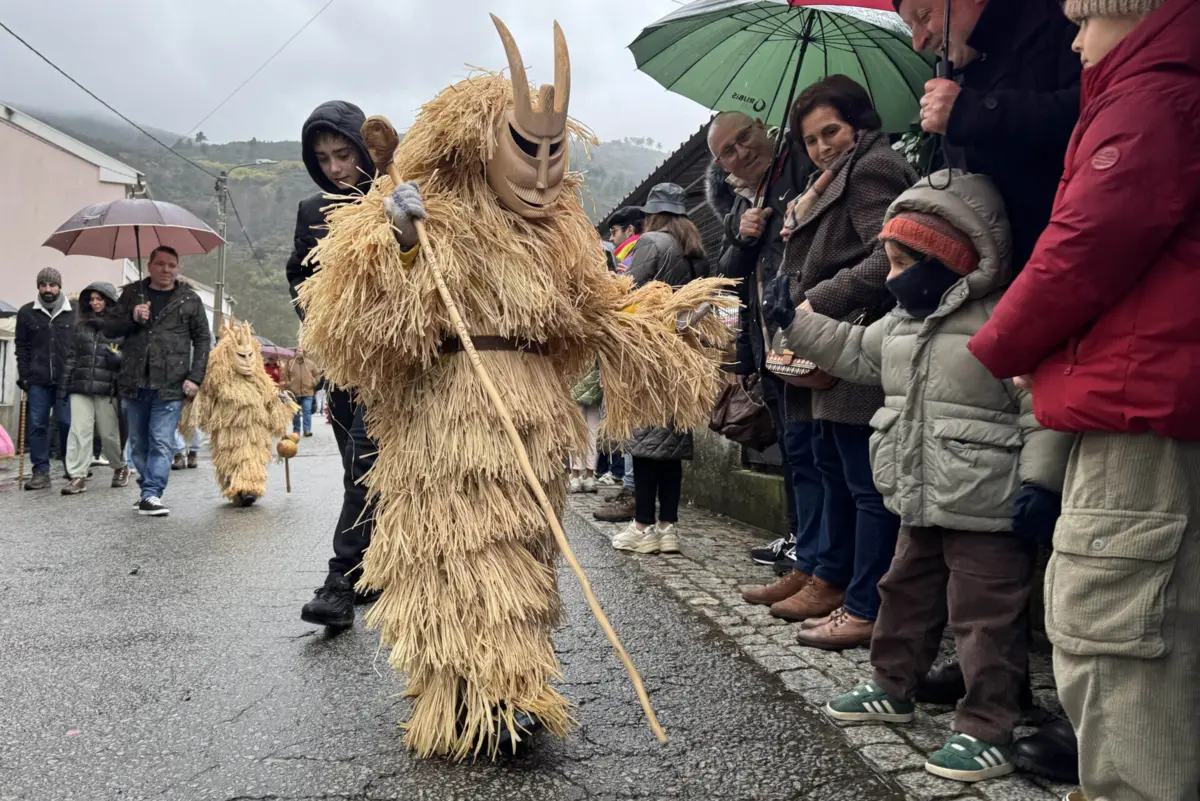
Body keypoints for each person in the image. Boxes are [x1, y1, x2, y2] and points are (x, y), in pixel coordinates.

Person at [967, 0, 1200, 797]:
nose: (1073, 40)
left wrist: (1002, 346)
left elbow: (1081, 247)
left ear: (1130, 12)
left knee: (1117, 640)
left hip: (1139, 419)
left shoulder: (1149, 98)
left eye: (1085, 19)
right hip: (1154, 402)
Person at [770, 172, 1069, 783]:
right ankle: (892, 683)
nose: (892, 273)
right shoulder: (902, 324)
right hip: (918, 496)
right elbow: (853, 351)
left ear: (948, 259)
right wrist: (794, 322)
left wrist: (1042, 483)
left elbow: (1040, 408)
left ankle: (988, 722)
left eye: (904, 260)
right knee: (901, 592)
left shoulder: (1007, 322)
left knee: (985, 617)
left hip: (990, 506)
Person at [742, 76, 914, 651]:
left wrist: (819, 301)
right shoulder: (821, 184)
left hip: (854, 338)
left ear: (858, 124)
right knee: (826, 466)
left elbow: (889, 253)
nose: (822, 146)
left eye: (831, 131)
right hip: (818, 342)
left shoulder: (873, 169)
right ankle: (823, 573)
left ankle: (863, 600)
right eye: (811, 139)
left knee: (862, 482)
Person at [706, 110, 823, 576]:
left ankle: (816, 555)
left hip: (810, 332)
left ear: (763, 130)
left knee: (815, 451)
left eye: (744, 138)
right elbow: (728, 278)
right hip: (769, 342)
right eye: (727, 152)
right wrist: (742, 235)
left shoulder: (804, 168)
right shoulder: (739, 203)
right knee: (794, 449)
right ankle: (801, 540)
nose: (741, 152)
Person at [897, 0, 1080, 276]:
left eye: (924, 16)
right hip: (1007, 274)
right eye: (910, 28)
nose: (918, 42)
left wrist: (972, 112)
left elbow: (1090, 112)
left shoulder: (1060, 20)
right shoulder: (964, 69)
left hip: (1067, 259)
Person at [285, 100, 380, 628]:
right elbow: (298, 276)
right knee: (357, 468)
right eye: (323, 159)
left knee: (368, 462)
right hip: (342, 363)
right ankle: (374, 568)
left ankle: (340, 581)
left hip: (392, 364)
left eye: (343, 154)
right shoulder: (312, 211)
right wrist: (317, 313)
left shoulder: (393, 197)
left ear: (363, 148)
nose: (335, 168)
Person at [611, 183, 710, 555]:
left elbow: (630, 291)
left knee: (645, 445)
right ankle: (668, 528)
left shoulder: (652, 241)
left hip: (650, 354)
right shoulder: (693, 247)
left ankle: (642, 527)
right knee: (670, 445)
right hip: (683, 356)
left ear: (653, 213)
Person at [103, 246, 211, 517]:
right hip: (133, 381)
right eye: (160, 264)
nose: (166, 270)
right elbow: (109, 329)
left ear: (178, 268)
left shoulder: (189, 299)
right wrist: (132, 317)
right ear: (149, 266)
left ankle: (152, 492)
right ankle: (146, 490)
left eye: (171, 265)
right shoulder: (131, 294)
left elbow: (202, 340)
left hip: (171, 383)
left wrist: (195, 377)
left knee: (161, 440)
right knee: (139, 443)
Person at [59, 282, 129, 495]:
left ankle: (119, 466)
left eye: (99, 298)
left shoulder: (121, 327)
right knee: (79, 432)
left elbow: (132, 357)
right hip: (80, 386)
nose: (94, 303)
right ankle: (77, 476)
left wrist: (120, 359)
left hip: (107, 389)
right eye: (91, 299)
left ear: (109, 300)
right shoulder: (81, 326)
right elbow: (72, 357)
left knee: (108, 434)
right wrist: (64, 386)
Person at [14, 267, 75, 490]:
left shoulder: (73, 312)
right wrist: (24, 374)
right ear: (38, 286)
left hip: (65, 380)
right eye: (43, 285)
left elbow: (78, 346)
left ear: (60, 286)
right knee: (37, 425)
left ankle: (72, 465)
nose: (48, 289)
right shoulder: (26, 312)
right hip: (37, 380)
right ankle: (40, 471)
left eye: (52, 285)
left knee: (67, 423)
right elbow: (21, 346)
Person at [569, 362, 602, 493]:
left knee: (576, 431)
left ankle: (576, 476)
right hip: (596, 382)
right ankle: (589, 475)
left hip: (575, 378)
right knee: (593, 432)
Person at [280, 347, 319, 437]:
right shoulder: (290, 363)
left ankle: (307, 430)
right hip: (294, 393)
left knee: (307, 411)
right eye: (297, 350)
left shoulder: (311, 364)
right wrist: (288, 384)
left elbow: (317, 375)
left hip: (307, 392)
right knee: (295, 413)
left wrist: (314, 383)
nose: (298, 352)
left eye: (300, 350)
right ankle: (296, 431)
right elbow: (285, 375)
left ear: (304, 352)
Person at [608, 206, 645, 272]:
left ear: (630, 230)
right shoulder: (644, 250)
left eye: (613, 232)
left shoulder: (635, 258)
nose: (610, 238)